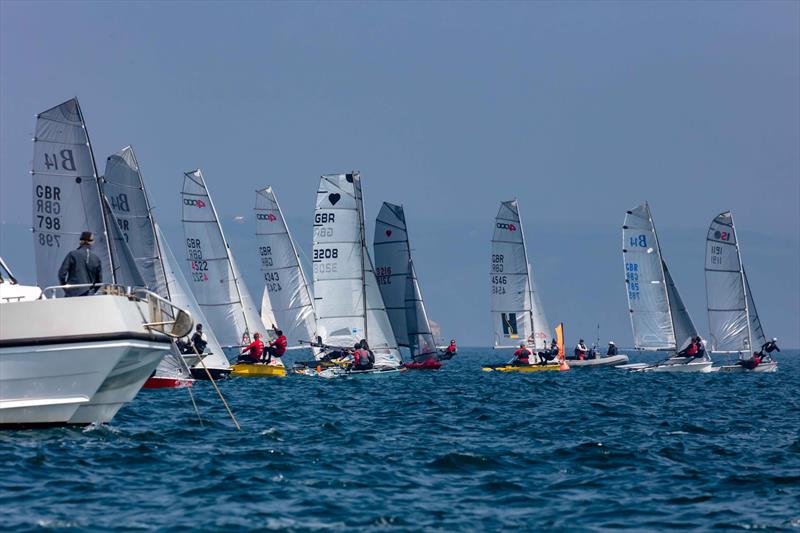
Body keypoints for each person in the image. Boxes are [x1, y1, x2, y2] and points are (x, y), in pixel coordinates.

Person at [58, 231, 102, 297]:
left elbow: (61, 274)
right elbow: (99, 281)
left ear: (80, 241)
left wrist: (66, 288)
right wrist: (92, 291)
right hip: (89, 296)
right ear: (91, 242)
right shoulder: (96, 259)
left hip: (72, 294)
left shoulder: (72, 254)